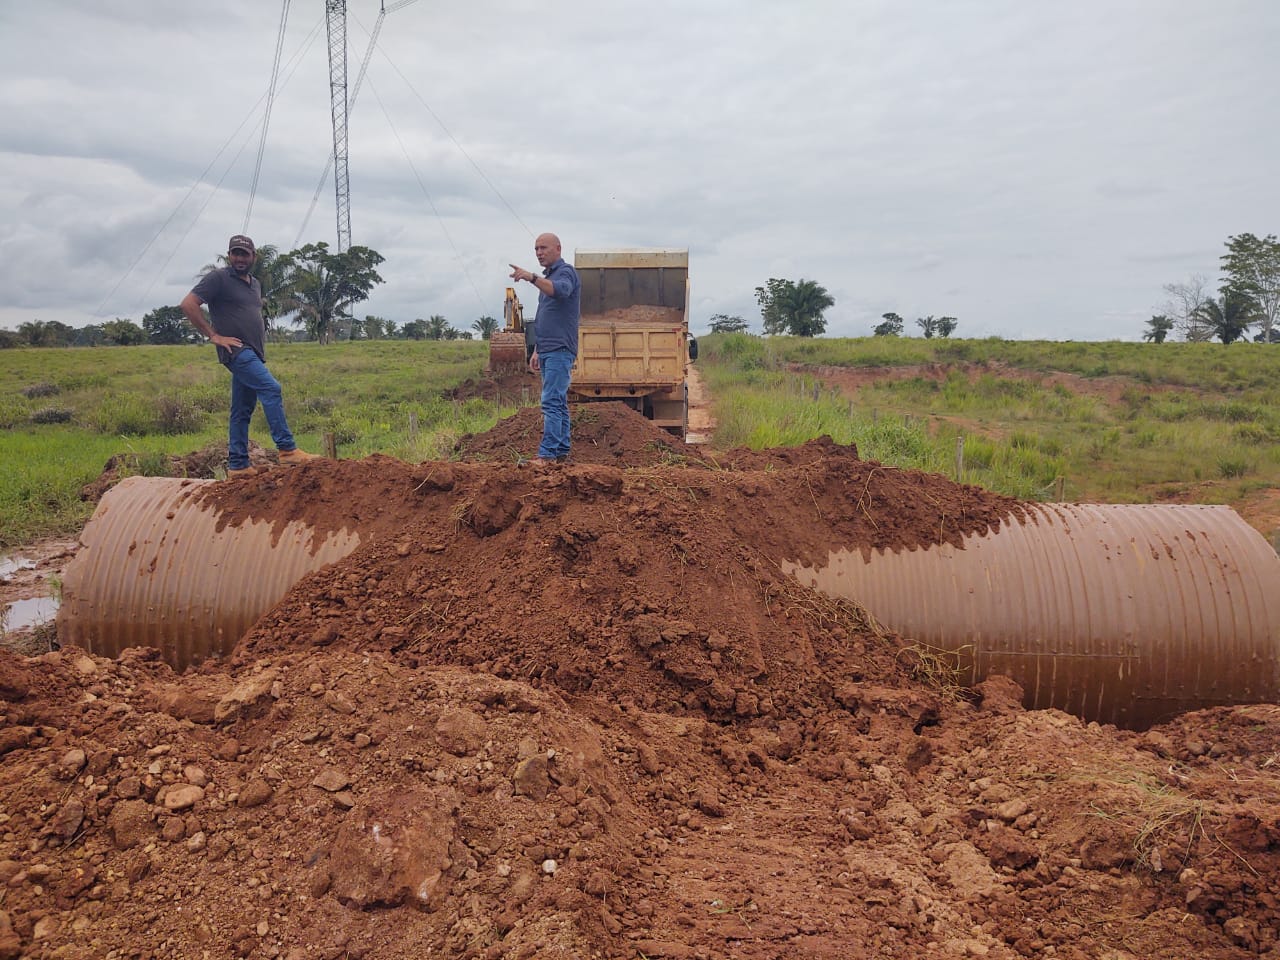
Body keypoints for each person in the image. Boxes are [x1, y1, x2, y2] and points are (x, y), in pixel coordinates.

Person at [180, 234, 317, 479]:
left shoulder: (254, 284)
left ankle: (238, 465)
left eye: (244, 254)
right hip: (237, 351)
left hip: (254, 352)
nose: (239, 258)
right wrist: (214, 336)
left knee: (242, 410)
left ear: (253, 256)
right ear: (229, 255)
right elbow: (189, 304)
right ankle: (287, 449)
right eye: (235, 253)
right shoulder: (218, 278)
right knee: (271, 388)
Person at [510, 233, 580, 464]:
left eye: (543, 248)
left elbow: (560, 290)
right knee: (557, 401)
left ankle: (547, 455)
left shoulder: (565, 272)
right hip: (549, 349)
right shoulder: (547, 281)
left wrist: (531, 277)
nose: (539, 252)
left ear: (558, 249)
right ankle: (560, 452)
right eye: (536, 249)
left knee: (551, 400)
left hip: (560, 349)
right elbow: (545, 317)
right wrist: (538, 349)